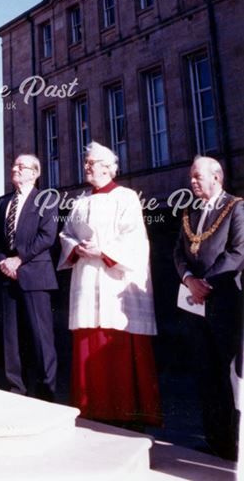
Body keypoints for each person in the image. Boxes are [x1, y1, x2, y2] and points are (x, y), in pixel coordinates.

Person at [59, 141, 161, 429]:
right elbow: (66, 234)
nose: (86, 166)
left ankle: (125, 413)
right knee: (89, 337)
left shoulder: (126, 197)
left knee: (116, 342)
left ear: (108, 167)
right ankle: (90, 410)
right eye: (86, 162)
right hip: (87, 277)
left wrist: (102, 252)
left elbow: (135, 240)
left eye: (91, 162)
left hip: (115, 282)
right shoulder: (80, 202)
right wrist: (76, 247)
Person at [174, 155, 244, 461]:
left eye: (197, 177)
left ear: (216, 177)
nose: (192, 181)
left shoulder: (236, 207)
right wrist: (189, 279)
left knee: (229, 375)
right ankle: (216, 442)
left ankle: (236, 445)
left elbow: (238, 252)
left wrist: (206, 282)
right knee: (204, 372)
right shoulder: (190, 209)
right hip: (194, 303)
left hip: (225, 301)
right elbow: (178, 251)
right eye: (191, 176)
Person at [0, 153, 58, 401]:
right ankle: (15, 390)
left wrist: (18, 259)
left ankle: (46, 394)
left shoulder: (47, 198)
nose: (16, 169)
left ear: (35, 172)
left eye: (22, 166)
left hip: (35, 275)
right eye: (15, 165)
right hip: (7, 275)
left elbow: (46, 237)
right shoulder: (3, 202)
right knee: (12, 338)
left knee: (41, 338)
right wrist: (3, 261)